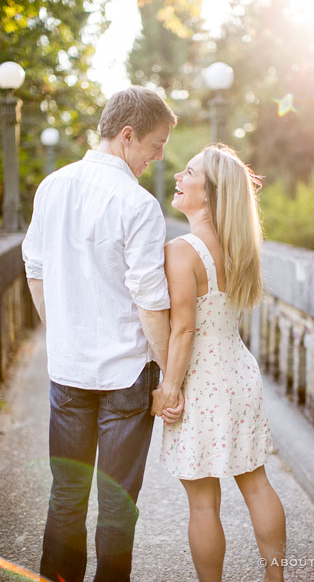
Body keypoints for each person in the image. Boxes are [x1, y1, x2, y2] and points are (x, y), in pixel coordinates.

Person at [22, 86, 183, 582]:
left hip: (68, 369)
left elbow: (34, 267)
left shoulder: (52, 185)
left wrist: (62, 330)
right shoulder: (138, 204)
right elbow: (151, 303)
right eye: (155, 145)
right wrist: (169, 378)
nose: (159, 156)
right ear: (127, 135)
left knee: (66, 495)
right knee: (116, 503)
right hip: (127, 374)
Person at [152, 144, 287, 582]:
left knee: (203, 503)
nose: (177, 176)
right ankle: (276, 576)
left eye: (188, 172)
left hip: (202, 380)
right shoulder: (240, 245)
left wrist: (169, 390)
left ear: (208, 194)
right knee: (257, 483)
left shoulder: (182, 250)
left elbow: (184, 330)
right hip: (238, 372)